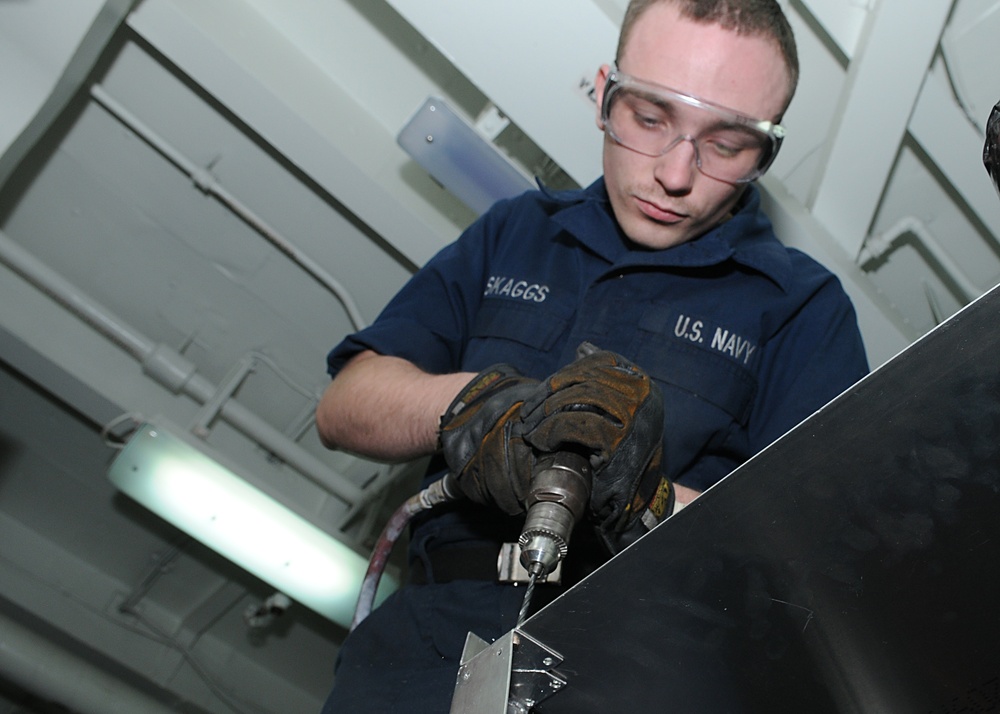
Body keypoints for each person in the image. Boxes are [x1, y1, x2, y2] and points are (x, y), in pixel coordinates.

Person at [316, 0, 869, 711]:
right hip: (423, 652)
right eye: (648, 118)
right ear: (605, 93)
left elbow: (818, 563)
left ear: (767, 151)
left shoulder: (800, 306)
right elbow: (346, 405)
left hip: (646, 660)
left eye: (726, 145)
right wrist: (491, 410)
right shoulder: (517, 231)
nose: (676, 175)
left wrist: (648, 500)